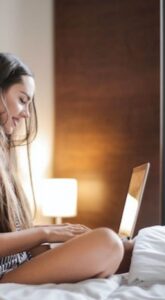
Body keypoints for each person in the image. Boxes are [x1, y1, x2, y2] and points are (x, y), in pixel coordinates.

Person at [0, 53, 133, 285]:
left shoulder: (6, 157)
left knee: (123, 248)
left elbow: (13, 231)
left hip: (21, 262)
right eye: (22, 100)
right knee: (108, 243)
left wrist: (60, 232)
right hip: (6, 275)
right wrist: (45, 233)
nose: (27, 114)